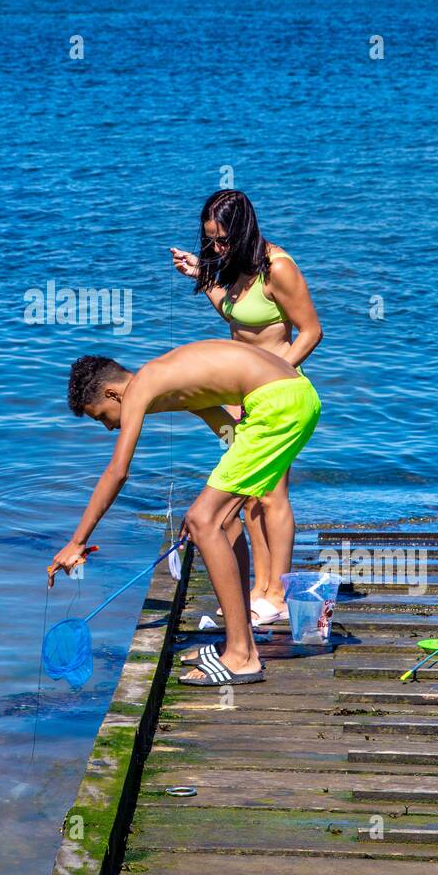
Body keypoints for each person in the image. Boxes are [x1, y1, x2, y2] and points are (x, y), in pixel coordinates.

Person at [47, 340, 321, 686]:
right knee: (218, 520)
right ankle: (239, 640)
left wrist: (77, 541)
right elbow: (233, 437)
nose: (109, 427)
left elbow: (118, 471)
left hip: (278, 404)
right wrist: (221, 503)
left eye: (102, 416)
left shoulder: (143, 385)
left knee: (202, 519)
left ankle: (242, 657)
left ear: (114, 394)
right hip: (293, 397)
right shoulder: (176, 385)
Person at [171, 190, 322, 626]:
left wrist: (272, 378)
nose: (216, 248)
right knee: (251, 493)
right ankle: (257, 588)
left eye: (222, 239)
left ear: (243, 230)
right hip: (244, 397)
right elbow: (240, 320)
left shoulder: (279, 267)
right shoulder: (233, 266)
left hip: (276, 394)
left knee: (273, 493)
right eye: (209, 241)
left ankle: (277, 594)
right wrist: (202, 275)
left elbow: (311, 332)